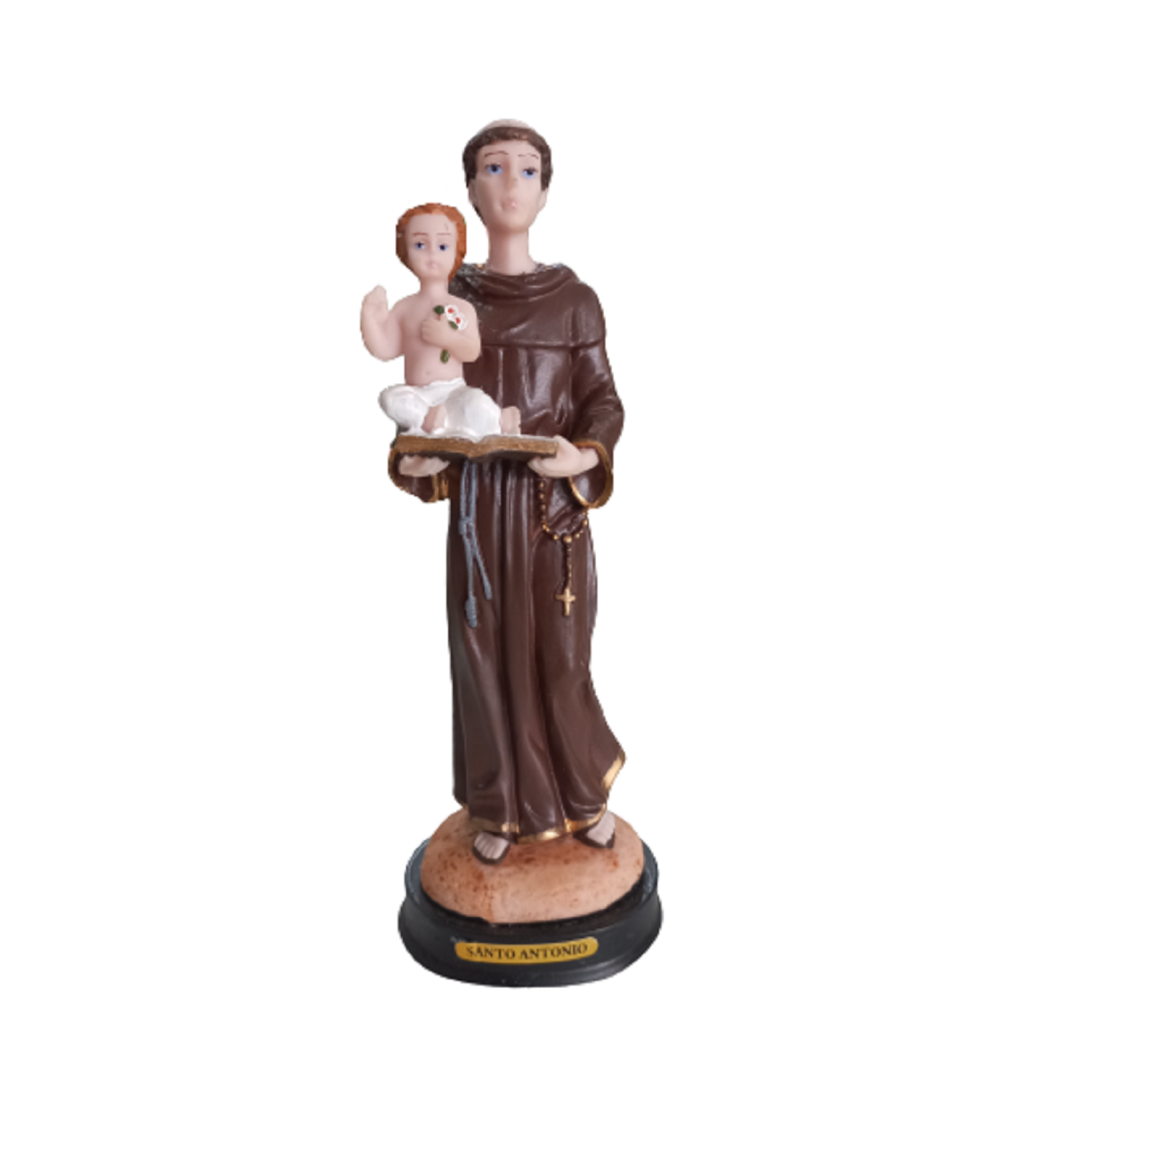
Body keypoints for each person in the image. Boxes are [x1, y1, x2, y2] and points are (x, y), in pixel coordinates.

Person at [391, 122, 625, 865]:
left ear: (546, 190)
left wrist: (582, 454)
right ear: (470, 190)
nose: (511, 184)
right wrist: (419, 458)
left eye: (527, 170)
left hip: (552, 514)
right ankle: (498, 805)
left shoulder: (574, 301)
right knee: (483, 658)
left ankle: (581, 797)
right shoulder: (448, 297)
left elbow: (603, 400)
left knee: (561, 657)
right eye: (493, 168)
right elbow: (425, 391)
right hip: (480, 513)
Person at [361, 203, 519, 439]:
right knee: (390, 398)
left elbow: (472, 352)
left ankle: (500, 420)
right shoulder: (404, 307)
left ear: (457, 251)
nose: (432, 255)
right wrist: (370, 318)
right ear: (405, 251)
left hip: (453, 390)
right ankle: (428, 418)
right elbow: (386, 350)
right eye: (420, 245)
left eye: (443, 246)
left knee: (474, 402)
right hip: (419, 394)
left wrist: (448, 338)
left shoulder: (463, 308)